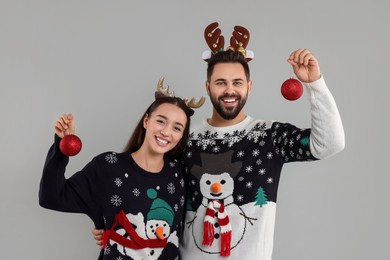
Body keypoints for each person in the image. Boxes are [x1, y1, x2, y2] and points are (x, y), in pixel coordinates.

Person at [93, 23, 345, 259]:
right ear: (208, 86)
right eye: (220, 82)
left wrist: (315, 84)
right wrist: (112, 220)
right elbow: (149, 181)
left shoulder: (269, 136)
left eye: (237, 82)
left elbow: (329, 144)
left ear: (249, 86)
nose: (229, 90)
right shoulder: (184, 139)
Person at [39, 83, 204, 260]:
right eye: (161, 121)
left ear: (181, 136)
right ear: (146, 121)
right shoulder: (109, 168)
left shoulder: (179, 174)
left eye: (177, 128)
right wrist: (61, 146)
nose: (166, 132)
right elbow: (51, 197)